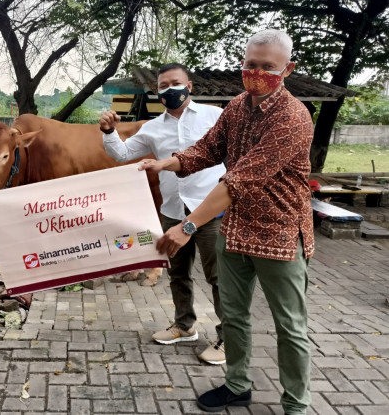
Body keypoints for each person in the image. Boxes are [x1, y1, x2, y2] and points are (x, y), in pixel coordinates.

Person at [141, 29, 313, 415]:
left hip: (279, 235)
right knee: (233, 316)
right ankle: (237, 384)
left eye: (268, 67)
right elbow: (207, 150)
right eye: (251, 64)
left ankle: (296, 406)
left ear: (288, 68)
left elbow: (237, 180)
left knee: (290, 326)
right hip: (235, 229)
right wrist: (165, 163)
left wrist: (187, 227)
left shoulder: (293, 118)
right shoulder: (237, 107)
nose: (257, 73)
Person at [99, 63, 227, 364]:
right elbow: (122, 154)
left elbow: (235, 156)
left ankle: (229, 337)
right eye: (163, 86)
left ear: (189, 86)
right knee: (178, 273)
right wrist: (108, 132)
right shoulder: (152, 128)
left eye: (175, 83)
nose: (170, 90)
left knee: (219, 277)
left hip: (209, 211)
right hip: (172, 210)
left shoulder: (216, 117)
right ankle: (185, 325)